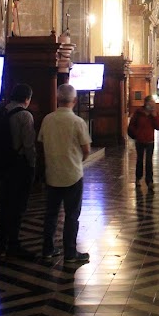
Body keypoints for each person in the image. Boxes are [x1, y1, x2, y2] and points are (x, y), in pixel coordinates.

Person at [39, 83, 91, 265]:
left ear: (57, 99)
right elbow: (86, 149)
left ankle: (47, 249)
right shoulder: (77, 122)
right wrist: (78, 160)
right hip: (73, 174)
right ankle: (70, 252)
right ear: (74, 101)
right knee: (71, 215)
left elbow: (41, 142)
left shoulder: (48, 119)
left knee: (51, 214)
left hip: (52, 173)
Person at [0, 83, 36, 262]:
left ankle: (0, 245)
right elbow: (28, 145)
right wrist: (34, 165)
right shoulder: (24, 116)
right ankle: (14, 244)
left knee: (2, 205)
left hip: (3, 164)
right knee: (17, 206)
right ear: (27, 99)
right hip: (19, 166)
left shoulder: (2, 111)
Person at [128, 94, 159, 190]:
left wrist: (154, 116)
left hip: (150, 140)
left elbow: (158, 127)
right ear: (146, 103)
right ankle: (138, 178)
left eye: (153, 102)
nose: (152, 104)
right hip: (140, 140)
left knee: (149, 161)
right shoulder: (138, 112)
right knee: (139, 160)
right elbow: (132, 125)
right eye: (151, 102)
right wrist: (136, 134)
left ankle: (149, 181)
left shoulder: (154, 113)